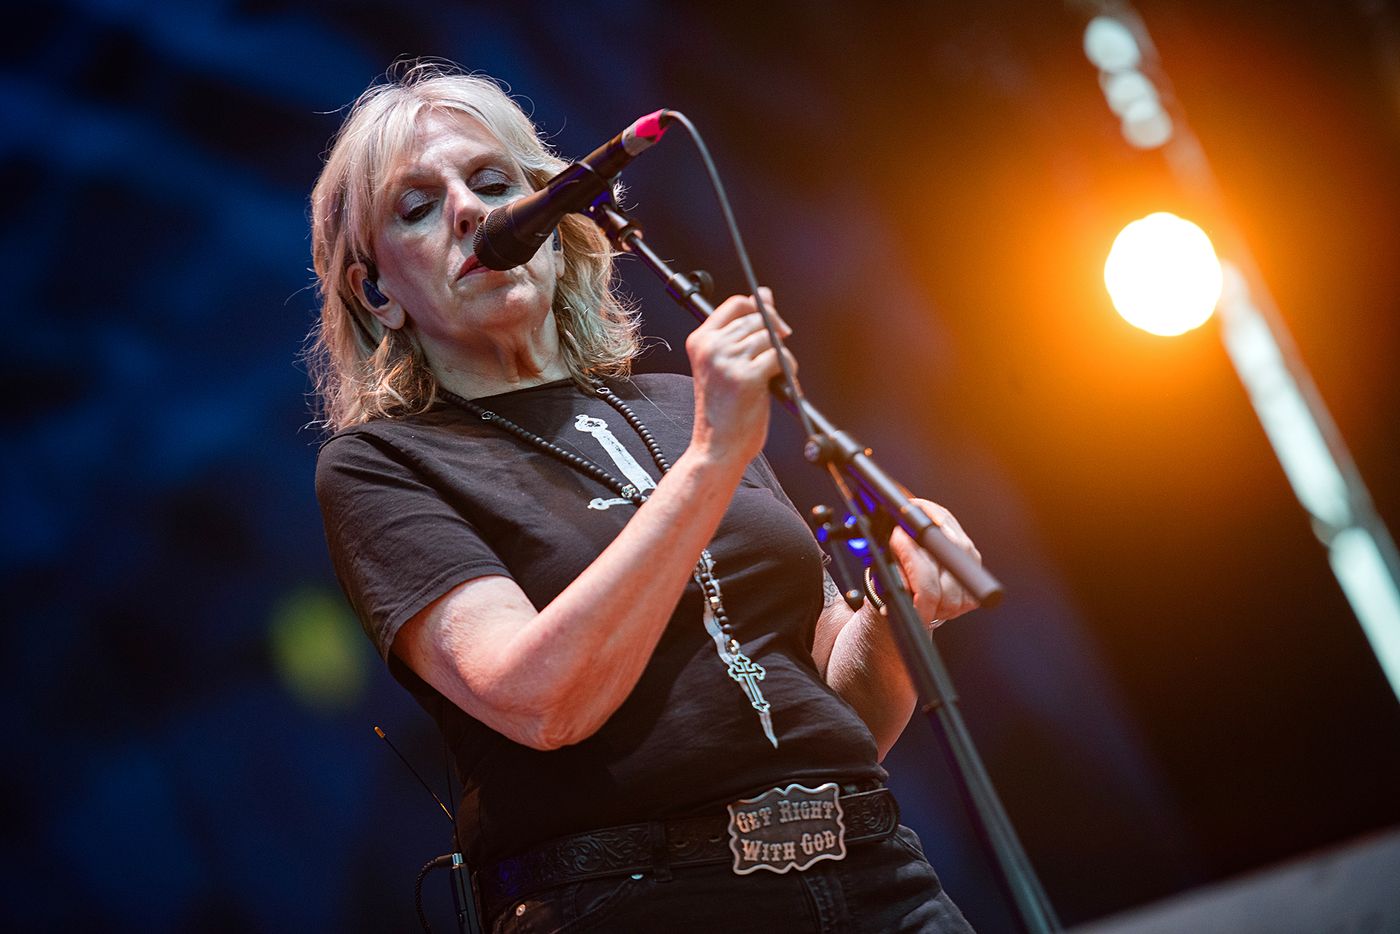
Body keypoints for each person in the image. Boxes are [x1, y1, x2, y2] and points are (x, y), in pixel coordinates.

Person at [310, 61, 983, 932]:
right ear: (375, 292)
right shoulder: (382, 464)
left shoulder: (680, 405)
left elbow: (842, 710)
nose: (471, 211)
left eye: (493, 183)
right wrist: (711, 460)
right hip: (636, 899)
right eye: (418, 207)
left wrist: (902, 607)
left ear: (557, 221)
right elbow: (542, 704)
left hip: (872, 869)